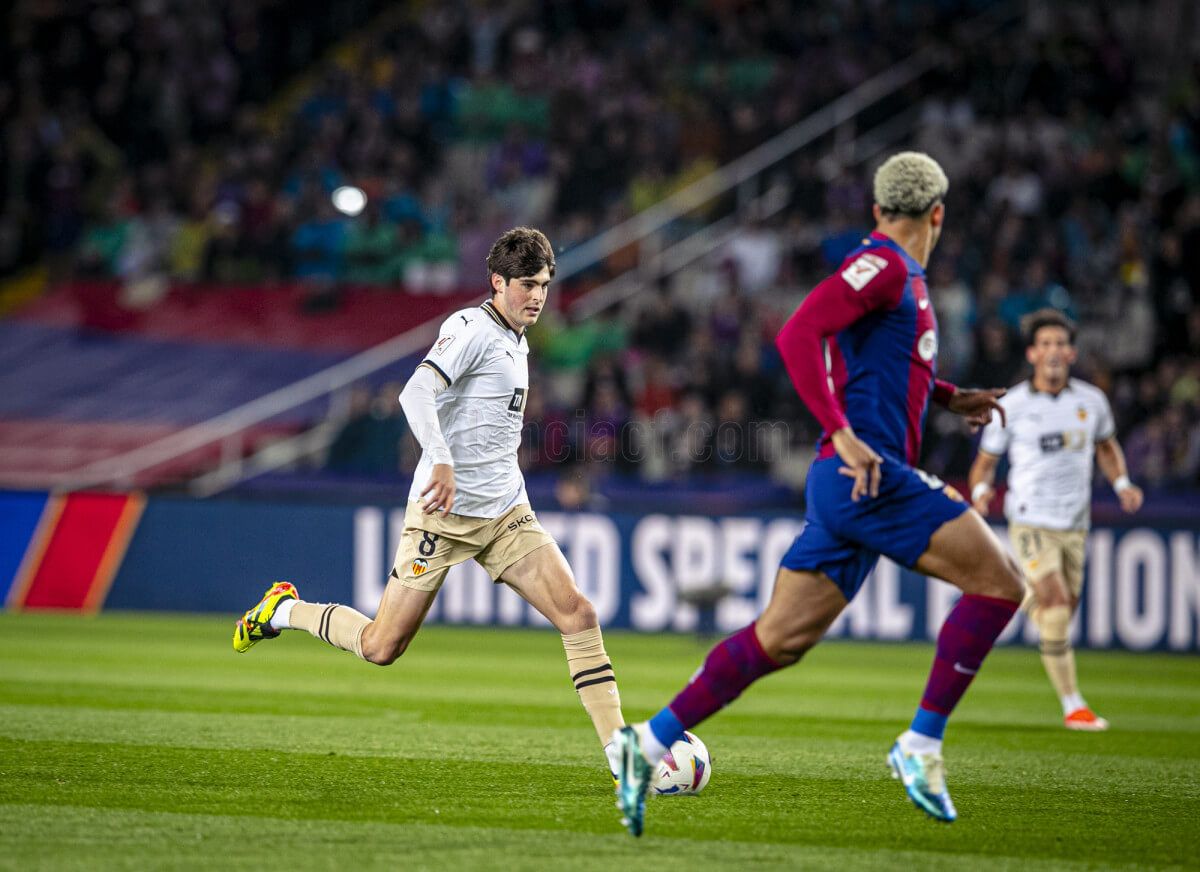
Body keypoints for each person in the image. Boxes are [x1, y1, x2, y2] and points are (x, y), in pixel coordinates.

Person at [612, 152, 1025, 835]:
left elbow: (884, 370)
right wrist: (845, 432)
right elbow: (798, 332)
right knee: (999, 584)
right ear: (939, 215)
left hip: (849, 483)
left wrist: (950, 399)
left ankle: (647, 743)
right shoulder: (887, 266)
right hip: (866, 475)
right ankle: (920, 745)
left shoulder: (901, 276)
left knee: (779, 639)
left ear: (877, 209)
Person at [233, 227, 627, 779]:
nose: (537, 296)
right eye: (527, 285)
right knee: (380, 646)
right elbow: (415, 391)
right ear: (498, 281)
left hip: (508, 513)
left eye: (544, 284)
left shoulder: (519, 337)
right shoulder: (470, 327)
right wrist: (440, 458)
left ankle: (620, 755)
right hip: (442, 515)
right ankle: (283, 611)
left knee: (578, 613)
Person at [968, 308, 1144, 731]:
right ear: (1031, 353)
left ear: (1071, 353)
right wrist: (980, 492)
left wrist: (1121, 483)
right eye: (1045, 344)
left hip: (1074, 523)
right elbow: (985, 462)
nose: (1052, 351)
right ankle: (1073, 705)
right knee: (1057, 603)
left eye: (1060, 344)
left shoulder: (1091, 401)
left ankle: (1015, 594)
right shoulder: (1012, 405)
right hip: (1030, 518)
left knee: (1059, 610)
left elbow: (1106, 447)